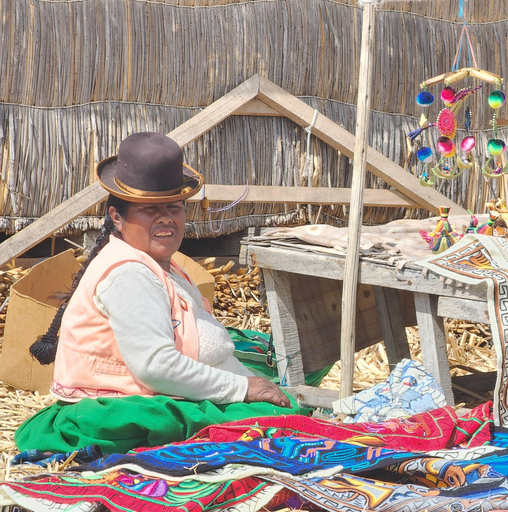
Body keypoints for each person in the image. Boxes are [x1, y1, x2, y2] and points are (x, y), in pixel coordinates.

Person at [16, 132, 302, 455]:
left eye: (174, 208)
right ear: (117, 218)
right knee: (285, 424)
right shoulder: (127, 275)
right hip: (127, 411)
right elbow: (155, 365)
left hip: (170, 394)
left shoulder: (158, 264)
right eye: (150, 209)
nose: (166, 218)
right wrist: (242, 388)